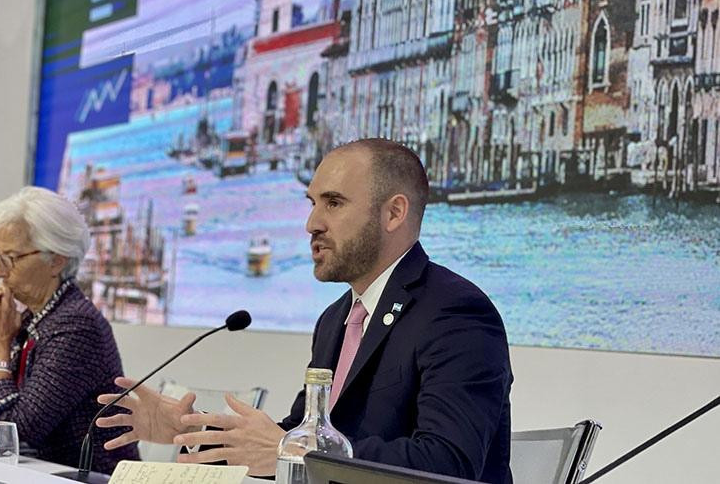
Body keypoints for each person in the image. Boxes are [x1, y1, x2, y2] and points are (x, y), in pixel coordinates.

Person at [95, 139, 513, 483]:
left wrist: (288, 450)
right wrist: (194, 432)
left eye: (333, 203)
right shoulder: (336, 320)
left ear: (394, 213)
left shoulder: (456, 312)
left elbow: (448, 465)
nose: (311, 223)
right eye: (312, 202)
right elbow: (297, 433)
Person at [0, 186, 138, 473]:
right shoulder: (25, 318)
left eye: (11, 258)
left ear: (56, 259)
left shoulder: (76, 326)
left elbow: (12, 431)